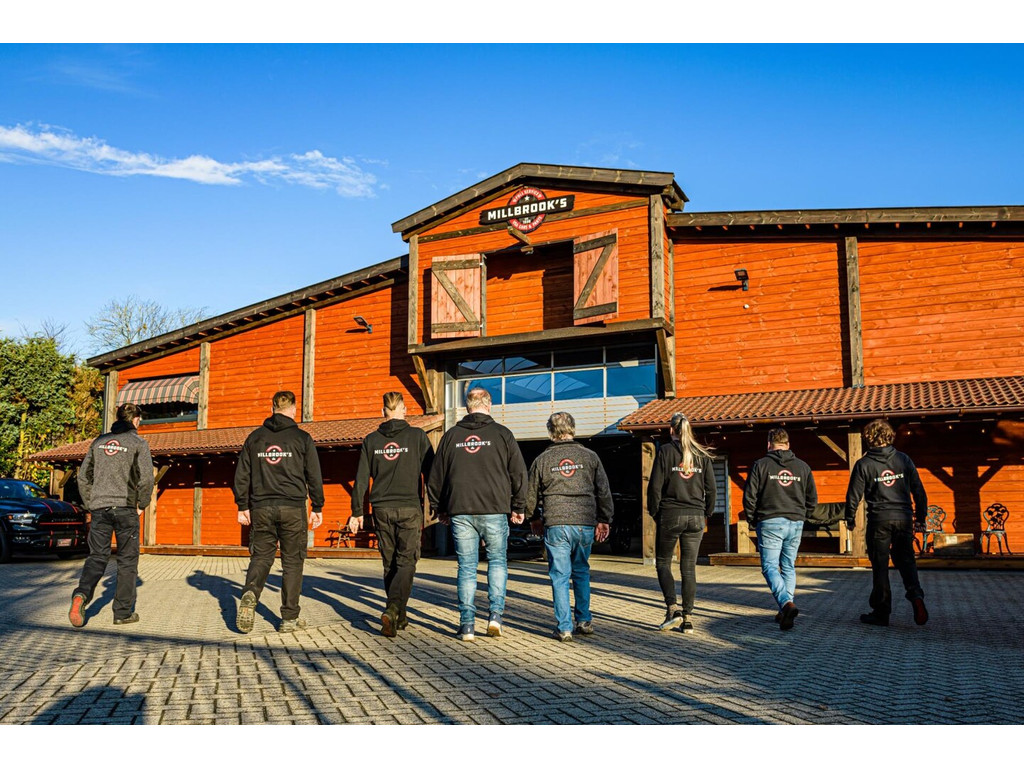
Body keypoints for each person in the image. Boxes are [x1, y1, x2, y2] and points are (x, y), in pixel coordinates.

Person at [427, 386, 527, 641]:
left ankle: (467, 625)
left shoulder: (451, 436)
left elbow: (436, 476)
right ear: (489, 405)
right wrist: (519, 507)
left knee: (467, 567)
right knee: (497, 562)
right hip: (494, 509)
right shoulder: (502, 434)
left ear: (467, 407)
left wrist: (440, 508)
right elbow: (518, 473)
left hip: (461, 510)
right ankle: (495, 617)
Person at [233, 390, 324, 634]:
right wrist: (317, 506)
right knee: (292, 562)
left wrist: (242, 505)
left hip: (261, 507)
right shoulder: (302, 438)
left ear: (271, 408)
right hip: (293, 508)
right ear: (293, 409)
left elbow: (241, 475)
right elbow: (314, 475)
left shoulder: (255, 438)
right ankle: (289, 618)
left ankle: (251, 592)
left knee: (261, 557)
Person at [349, 391, 434, 637]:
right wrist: (437, 504)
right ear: (404, 410)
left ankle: (399, 616)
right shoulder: (417, 436)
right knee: (407, 561)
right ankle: (394, 607)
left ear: (382, 411)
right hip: (408, 507)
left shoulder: (371, 440)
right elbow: (432, 472)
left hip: (381, 509)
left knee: (390, 563)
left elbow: (361, 479)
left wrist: (357, 512)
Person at [526, 412, 613, 642]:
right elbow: (603, 491)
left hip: (556, 523)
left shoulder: (542, 460)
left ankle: (564, 627)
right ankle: (583, 620)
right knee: (581, 571)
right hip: (584, 523)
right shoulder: (590, 457)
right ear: (572, 429)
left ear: (550, 432)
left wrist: (533, 518)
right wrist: (604, 519)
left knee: (560, 576)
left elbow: (530, 494)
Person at [68, 402, 153, 628]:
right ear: (136, 420)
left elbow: (83, 477)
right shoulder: (138, 443)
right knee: (127, 561)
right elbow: (146, 478)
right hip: (125, 509)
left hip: (100, 509)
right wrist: (142, 504)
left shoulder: (98, 442)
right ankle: (122, 613)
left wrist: (91, 503)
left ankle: (81, 594)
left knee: (97, 556)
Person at [845, 419, 928, 627]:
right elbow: (919, 490)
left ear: (868, 438)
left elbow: (854, 495)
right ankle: (916, 596)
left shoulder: (864, 464)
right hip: (903, 517)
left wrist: (850, 518)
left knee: (880, 566)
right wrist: (921, 518)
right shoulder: (903, 459)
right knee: (907, 561)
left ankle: (881, 612)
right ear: (890, 436)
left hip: (879, 520)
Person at [742, 427, 817, 631]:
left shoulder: (760, 465)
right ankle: (785, 608)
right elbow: (812, 499)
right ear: (788, 444)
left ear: (769, 445)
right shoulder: (803, 467)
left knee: (769, 567)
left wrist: (752, 519)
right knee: (789, 566)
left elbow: (749, 496)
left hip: (770, 521)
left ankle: (785, 604)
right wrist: (803, 515)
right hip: (796, 522)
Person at [647, 413, 716, 634]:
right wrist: (706, 513)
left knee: (663, 563)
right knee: (689, 568)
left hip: (671, 514)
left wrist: (655, 513)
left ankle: (672, 609)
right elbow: (712, 489)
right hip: (696, 516)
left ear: (671, 430)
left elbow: (655, 486)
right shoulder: (701, 454)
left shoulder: (665, 451)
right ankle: (688, 619)